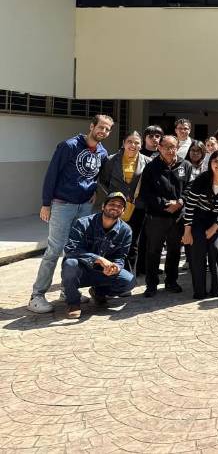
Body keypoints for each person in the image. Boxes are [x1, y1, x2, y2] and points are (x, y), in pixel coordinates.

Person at [27, 114, 113, 314]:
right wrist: (46, 203)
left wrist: (93, 193)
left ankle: (67, 291)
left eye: (107, 129)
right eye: (101, 127)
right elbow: (52, 174)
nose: (103, 131)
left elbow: (96, 177)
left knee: (74, 250)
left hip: (84, 206)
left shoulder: (101, 152)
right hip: (63, 204)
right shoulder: (69, 145)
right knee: (54, 250)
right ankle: (37, 296)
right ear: (92, 126)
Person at [60, 192, 136, 319]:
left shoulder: (126, 231)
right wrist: (98, 259)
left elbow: (120, 256)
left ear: (123, 211)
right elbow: (71, 249)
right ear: (103, 206)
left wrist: (115, 267)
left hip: (102, 273)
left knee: (129, 281)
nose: (115, 207)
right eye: (112, 204)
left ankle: (98, 292)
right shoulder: (83, 223)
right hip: (81, 271)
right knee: (70, 263)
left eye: (119, 206)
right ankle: (73, 303)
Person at [181, 150, 218, 300]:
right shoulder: (202, 179)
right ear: (210, 163)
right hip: (197, 217)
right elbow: (190, 206)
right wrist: (187, 232)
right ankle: (199, 291)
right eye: (215, 161)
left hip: (216, 219)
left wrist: (215, 227)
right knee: (197, 251)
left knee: (215, 249)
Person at [140, 135, 191, 298]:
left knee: (175, 250)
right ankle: (151, 284)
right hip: (156, 217)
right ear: (159, 148)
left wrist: (180, 202)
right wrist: (165, 204)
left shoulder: (186, 165)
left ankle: (171, 281)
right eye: (167, 147)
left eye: (173, 146)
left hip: (178, 216)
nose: (170, 150)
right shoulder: (151, 167)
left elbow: (190, 188)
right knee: (153, 251)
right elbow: (146, 193)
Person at [97, 130, 150, 273]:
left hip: (137, 208)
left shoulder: (148, 162)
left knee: (133, 242)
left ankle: (127, 274)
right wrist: (114, 196)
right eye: (130, 142)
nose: (133, 145)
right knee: (113, 240)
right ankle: (110, 271)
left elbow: (150, 185)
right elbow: (103, 180)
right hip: (115, 207)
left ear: (141, 145)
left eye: (137, 142)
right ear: (124, 143)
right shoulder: (111, 160)